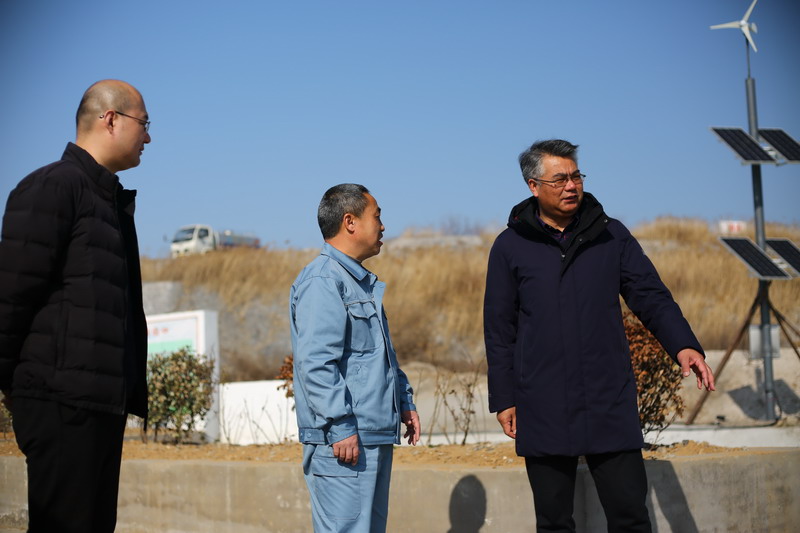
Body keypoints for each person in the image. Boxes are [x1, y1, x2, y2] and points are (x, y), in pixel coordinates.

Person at [483, 139, 715, 532]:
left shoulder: (611, 236)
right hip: (542, 400)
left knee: (630, 517)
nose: (571, 186)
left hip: (608, 398)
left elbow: (650, 295)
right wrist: (505, 398)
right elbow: (499, 329)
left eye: (576, 176)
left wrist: (684, 345)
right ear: (533, 186)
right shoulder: (510, 246)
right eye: (559, 179)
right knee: (554, 522)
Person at [0, 79, 151, 533]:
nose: (148, 137)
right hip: (60, 404)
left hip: (101, 405)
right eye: (144, 123)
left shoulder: (110, 203)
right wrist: (16, 388)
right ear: (111, 119)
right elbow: (10, 297)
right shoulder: (52, 187)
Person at [290, 183, 421, 533]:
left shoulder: (359, 283)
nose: (383, 226)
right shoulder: (323, 280)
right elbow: (316, 363)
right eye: (377, 216)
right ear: (350, 222)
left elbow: (379, 355)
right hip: (344, 442)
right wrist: (341, 426)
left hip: (370, 435)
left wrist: (404, 401)